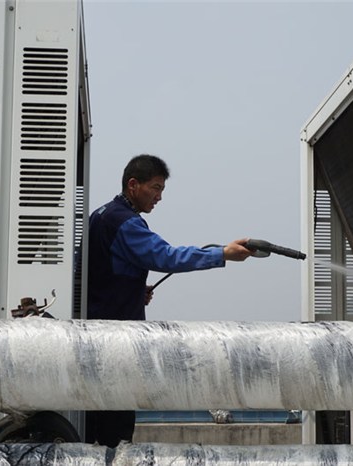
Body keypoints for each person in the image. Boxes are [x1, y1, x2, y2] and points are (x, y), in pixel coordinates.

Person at [85, 154, 252, 447]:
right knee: (115, 434)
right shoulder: (125, 222)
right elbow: (166, 256)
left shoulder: (101, 215)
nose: (160, 197)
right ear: (133, 185)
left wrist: (135, 289)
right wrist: (222, 254)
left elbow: (98, 273)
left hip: (95, 337)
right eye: (155, 188)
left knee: (96, 429)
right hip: (116, 342)